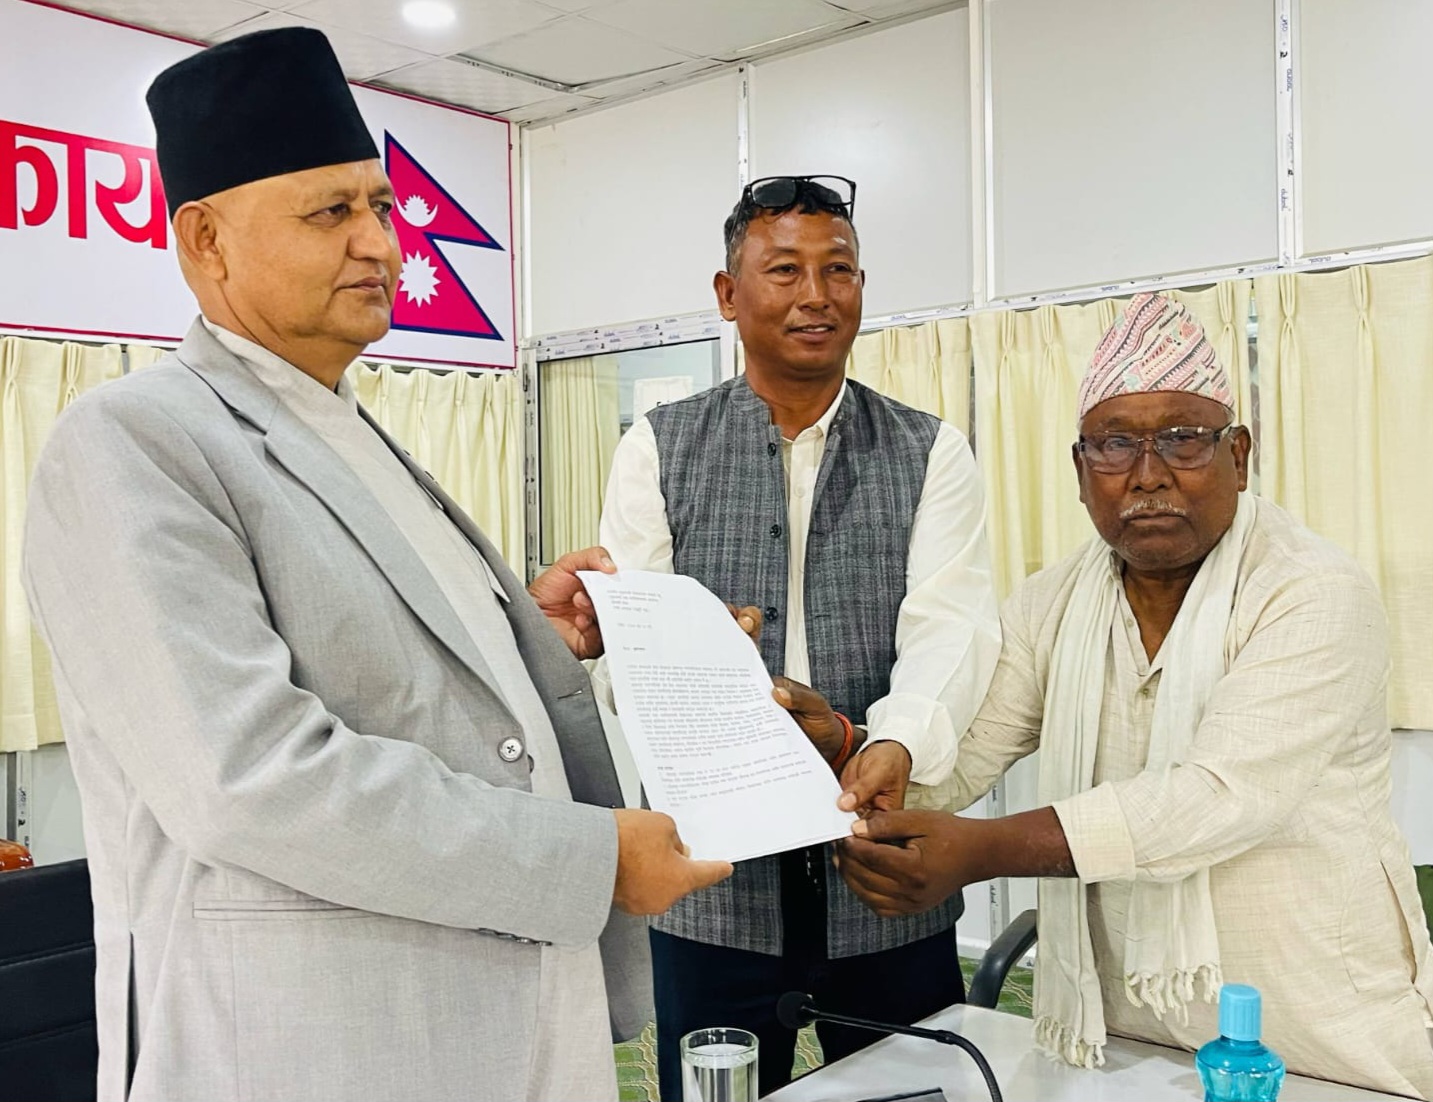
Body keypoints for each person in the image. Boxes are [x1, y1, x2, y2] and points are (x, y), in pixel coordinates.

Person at [20, 28, 731, 1102]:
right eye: (330, 213)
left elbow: (381, 664)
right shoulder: (135, 441)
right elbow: (250, 780)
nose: (381, 246)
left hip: (495, 1012)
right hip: (318, 1045)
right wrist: (589, 861)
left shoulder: (346, 424)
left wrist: (517, 638)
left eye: (384, 207)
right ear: (206, 239)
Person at [836, 292, 1433, 1098]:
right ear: (1080, 471)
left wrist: (981, 851)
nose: (1148, 475)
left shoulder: (1311, 591)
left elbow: (1215, 799)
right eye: (1116, 444)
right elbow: (962, 755)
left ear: (1238, 455)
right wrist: (854, 752)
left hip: (1310, 1034)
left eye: (1183, 439)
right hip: (1118, 1034)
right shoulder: (1051, 603)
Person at [595, 174, 1002, 1096]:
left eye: (838, 270)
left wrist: (896, 741)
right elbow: (630, 649)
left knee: (908, 1089)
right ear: (727, 293)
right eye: (784, 270)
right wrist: (709, 683)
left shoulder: (929, 449)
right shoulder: (658, 446)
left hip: (884, 865)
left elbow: (952, 625)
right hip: (712, 884)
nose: (816, 295)